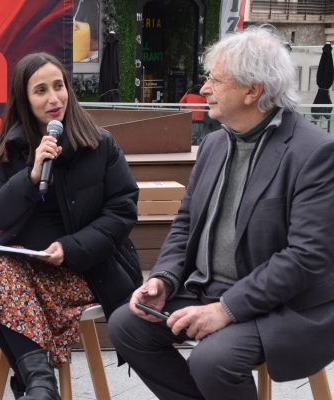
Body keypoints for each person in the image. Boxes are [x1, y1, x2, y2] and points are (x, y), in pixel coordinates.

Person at [108, 26, 334, 400]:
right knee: (126, 325)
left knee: (213, 360)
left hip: (284, 307)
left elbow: (306, 258)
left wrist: (226, 309)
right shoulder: (214, 143)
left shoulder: (316, 153)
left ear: (252, 91)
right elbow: (185, 224)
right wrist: (163, 279)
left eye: (215, 79)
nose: (204, 88)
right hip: (206, 290)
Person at [0, 52, 142, 400]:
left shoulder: (101, 144)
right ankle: (42, 385)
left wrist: (70, 248)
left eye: (59, 86)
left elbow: (122, 211)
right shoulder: (8, 148)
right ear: (25, 100)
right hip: (24, 273)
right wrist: (30, 176)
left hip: (89, 272)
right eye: (41, 90)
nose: (54, 98)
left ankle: (37, 388)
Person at [179, 75, 209, 145]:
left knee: (192, 136)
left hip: (189, 116)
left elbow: (181, 102)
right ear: (204, 82)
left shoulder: (189, 92)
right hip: (200, 118)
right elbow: (208, 104)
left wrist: (187, 110)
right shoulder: (204, 94)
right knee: (201, 137)